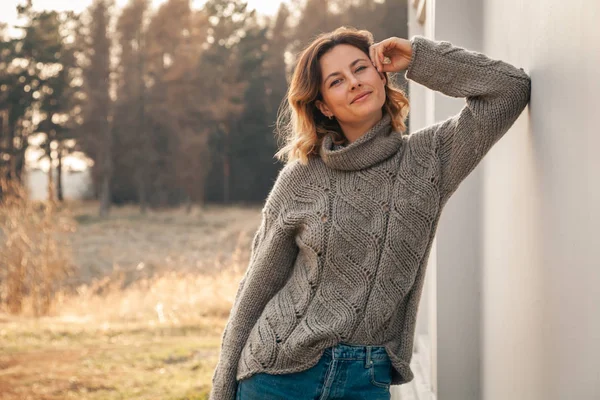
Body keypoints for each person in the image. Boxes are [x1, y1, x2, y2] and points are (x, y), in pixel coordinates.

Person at [209, 26, 531, 400]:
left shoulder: (430, 158)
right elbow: (255, 290)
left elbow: (509, 89)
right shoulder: (300, 178)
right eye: (336, 80)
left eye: (360, 68)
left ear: (381, 74)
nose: (354, 83)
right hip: (278, 376)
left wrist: (419, 57)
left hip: (366, 380)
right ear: (324, 105)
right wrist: (222, 390)